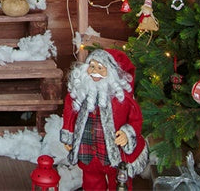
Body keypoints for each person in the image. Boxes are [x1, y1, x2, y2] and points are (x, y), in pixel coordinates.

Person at [60, 48, 149, 190]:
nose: (95, 71)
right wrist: (68, 136)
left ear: (111, 73)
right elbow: (70, 114)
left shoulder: (122, 100)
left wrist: (127, 133)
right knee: (91, 182)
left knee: (120, 182)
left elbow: (135, 120)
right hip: (87, 152)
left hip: (113, 155)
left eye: (101, 68)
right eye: (92, 66)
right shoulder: (81, 94)